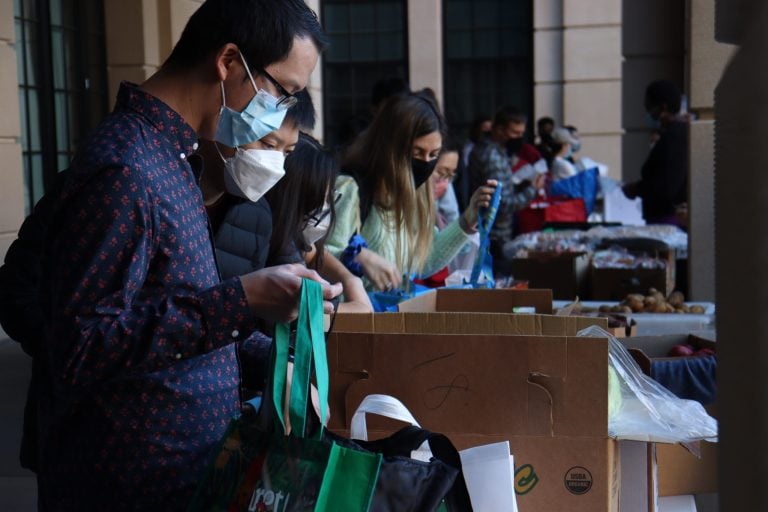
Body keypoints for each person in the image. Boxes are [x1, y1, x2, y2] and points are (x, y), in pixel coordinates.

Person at [34, 1, 342, 510]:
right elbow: (82, 347)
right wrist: (241, 301)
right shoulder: (126, 168)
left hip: (185, 473)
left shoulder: (173, 158)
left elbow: (170, 311)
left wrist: (272, 345)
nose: (284, 111)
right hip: (130, 483)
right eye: (283, 93)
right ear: (228, 63)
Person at [326, 92, 497, 292]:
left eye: (433, 155)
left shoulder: (418, 194)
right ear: (390, 148)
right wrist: (357, 256)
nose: (425, 162)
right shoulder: (351, 188)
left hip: (387, 317)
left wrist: (468, 221)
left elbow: (422, 262)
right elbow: (318, 254)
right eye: (416, 153)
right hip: (349, 318)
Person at [200, 89, 314, 277]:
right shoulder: (165, 191)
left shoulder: (258, 216)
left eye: (288, 152)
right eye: (269, 144)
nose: (275, 164)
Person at [266, 134, 372, 312]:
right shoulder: (279, 248)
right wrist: (356, 306)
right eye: (317, 201)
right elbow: (311, 315)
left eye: (328, 198)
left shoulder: (287, 235)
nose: (324, 209)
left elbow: (311, 253)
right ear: (291, 200)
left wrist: (349, 279)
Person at [468, 105, 547, 268]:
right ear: (499, 130)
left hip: (495, 232)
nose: (519, 138)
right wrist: (533, 188)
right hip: (494, 235)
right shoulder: (492, 156)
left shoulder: (494, 150)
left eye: (521, 133)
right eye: (515, 133)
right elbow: (503, 204)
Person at [622, 80, 688, 226]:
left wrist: (637, 189)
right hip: (663, 216)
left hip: (667, 219)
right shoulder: (672, 135)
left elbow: (666, 184)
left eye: (649, 107)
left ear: (662, 108)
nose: (647, 113)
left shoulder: (675, 136)